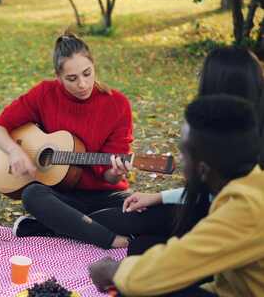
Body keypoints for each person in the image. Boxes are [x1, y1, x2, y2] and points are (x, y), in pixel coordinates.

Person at [90, 46, 264, 255]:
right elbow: (209, 193)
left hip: (231, 229)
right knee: (128, 219)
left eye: (203, 76)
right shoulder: (225, 124)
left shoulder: (246, 142)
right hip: (210, 209)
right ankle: (53, 226)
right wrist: (159, 197)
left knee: (139, 247)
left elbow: (227, 201)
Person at [89, 95, 264, 297]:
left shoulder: (246, 210)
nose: (180, 159)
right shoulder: (250, 185)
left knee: (134, 289)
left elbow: (173, 265)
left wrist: (113, 271)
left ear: (203, 168)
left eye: (184, 152)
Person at [0, 32, 133, 249]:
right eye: (72, 79)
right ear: (58, 76)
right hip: (61, 196)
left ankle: (54, 226)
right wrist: (14, 151)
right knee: (32, 194)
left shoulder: (117, 104)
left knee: (137, 211)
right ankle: (108, 239)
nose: (82, 84)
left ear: (94, 66)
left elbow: (111, 179)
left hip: (104, 195)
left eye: (87, 73)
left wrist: (116, 171)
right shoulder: (45, 94)